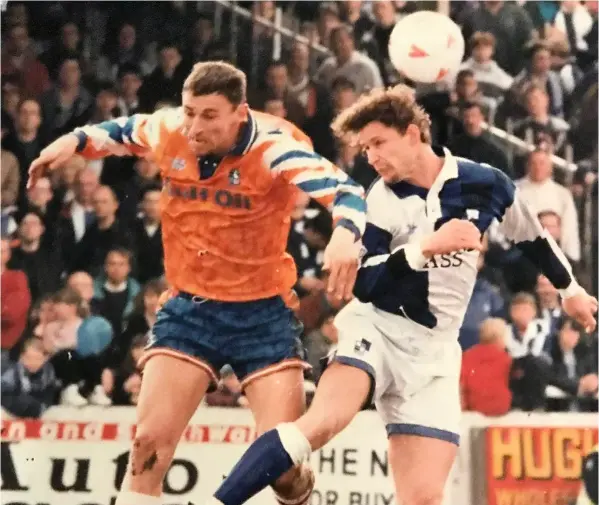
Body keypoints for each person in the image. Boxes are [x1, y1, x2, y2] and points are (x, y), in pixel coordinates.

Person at [203, 85, 598, 505]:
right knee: (324, 421)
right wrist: (424, 248)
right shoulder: (380, 198)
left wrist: (570, 289)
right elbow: (365, 282)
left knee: (424, 498)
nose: (371, 156)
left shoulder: (485, 183)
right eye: (364, 147)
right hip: (379, 327)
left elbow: (533, 236)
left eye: (378, 143)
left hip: (435, 352)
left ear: (413, 134)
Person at [27, 61, 366, 505]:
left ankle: (297, 485)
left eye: (208, 115)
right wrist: (69, 142)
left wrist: (344, 234)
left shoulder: (275, 146)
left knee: (281, 469)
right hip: (190, 310)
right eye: (189, 111)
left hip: (263, 316)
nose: (193, 125)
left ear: (239, 113)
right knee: (147, 446)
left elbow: (346, 190)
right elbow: (122, 130)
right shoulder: (171, 129)